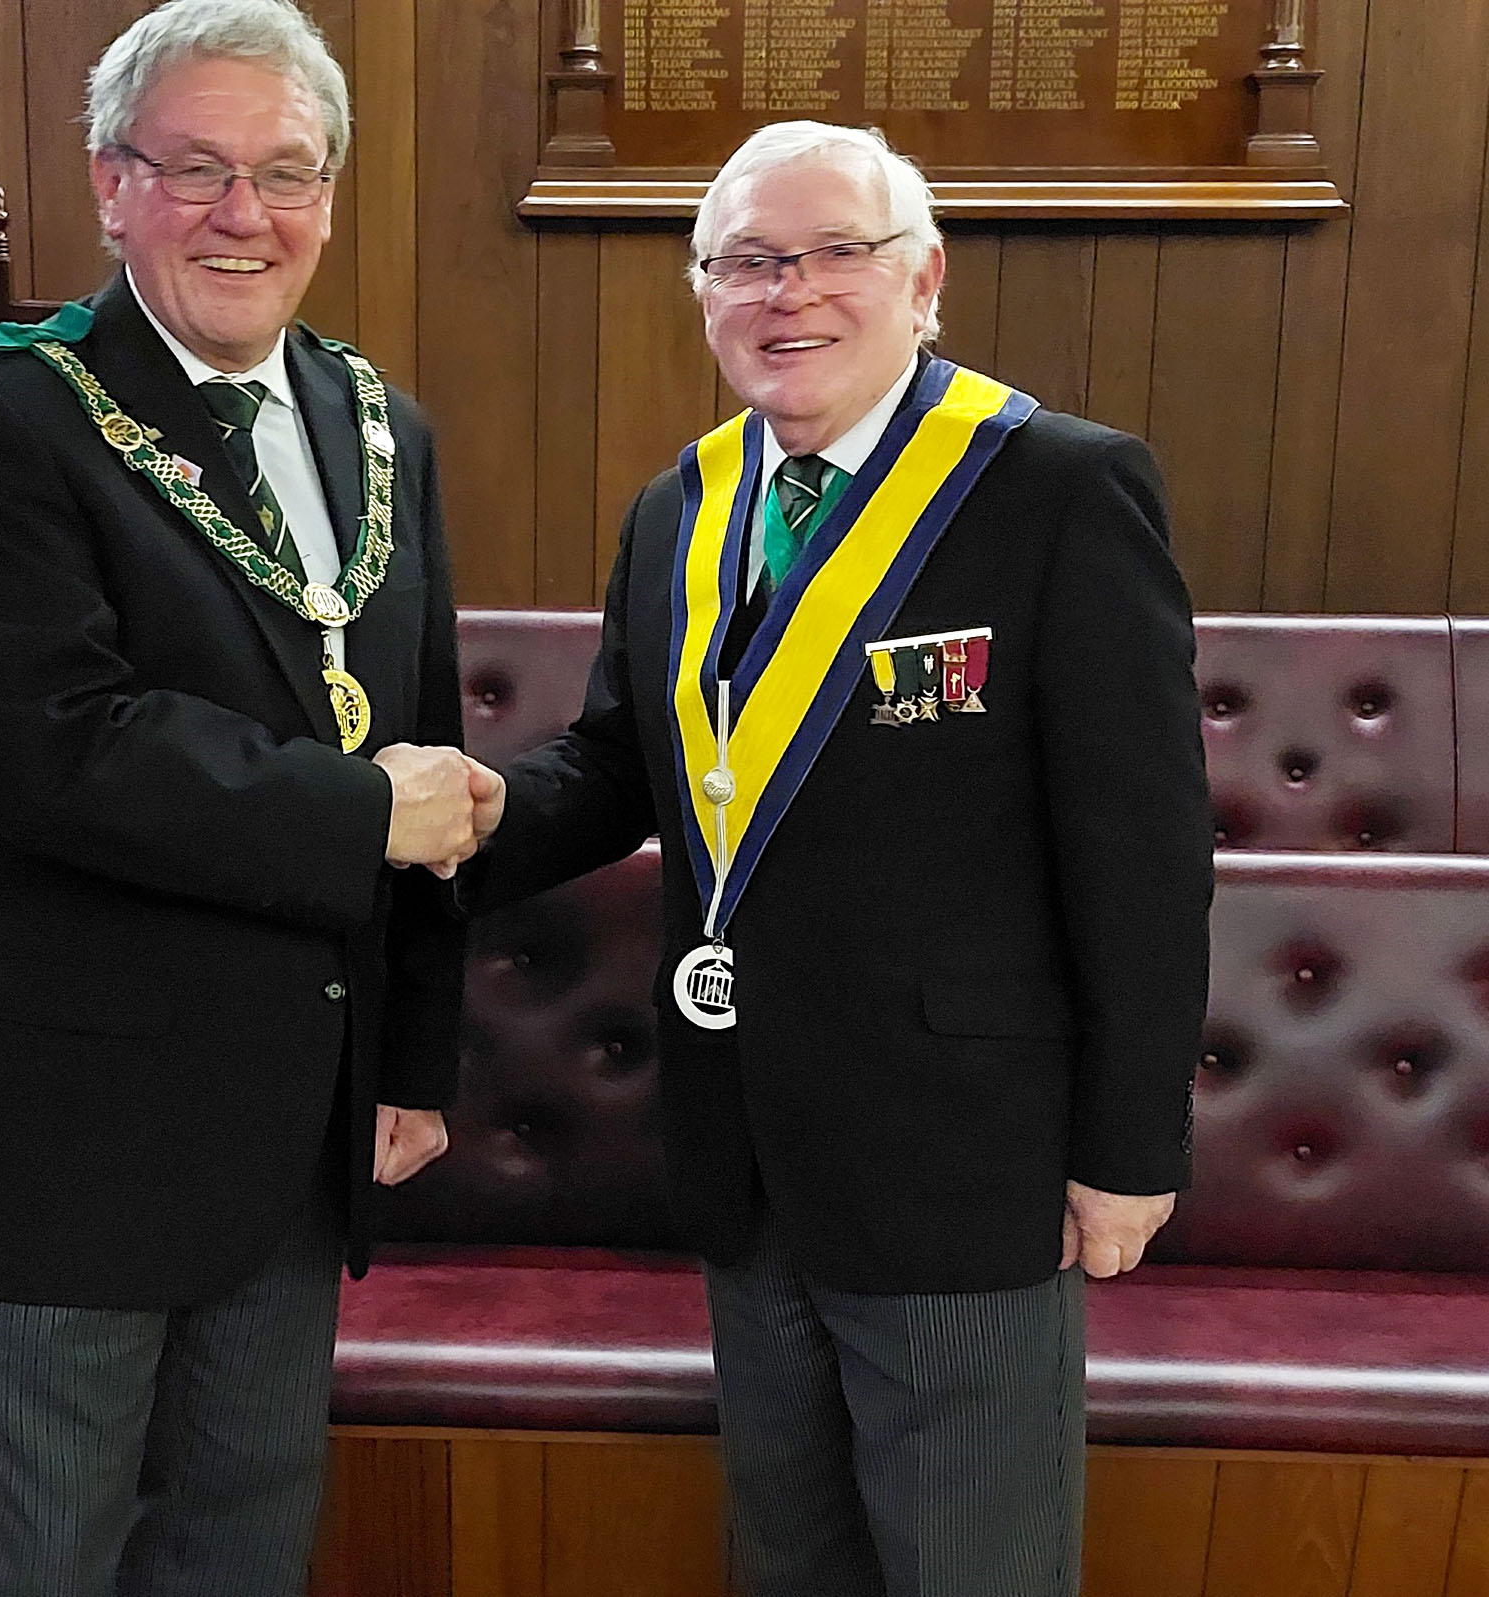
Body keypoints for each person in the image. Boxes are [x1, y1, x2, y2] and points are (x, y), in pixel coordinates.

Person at [467, 121, 1212, 1597]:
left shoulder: (1057, 487)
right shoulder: (681, 505)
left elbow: (1141, 846)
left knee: (971, 1571)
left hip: (962, 1163)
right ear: (703, 292)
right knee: (789, 1560)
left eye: (833, 255)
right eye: (747, 261)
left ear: (923, 277)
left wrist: (1130, 1149)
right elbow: (626, 764)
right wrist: (448, 820)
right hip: (745, 1146)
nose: (786, 293)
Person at [0, 2, 498, 1591]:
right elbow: (57, 743)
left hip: (291, 1117)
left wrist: (409, 1052)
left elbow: (408, 729)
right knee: (43, 1557)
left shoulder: (378, 423)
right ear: (111, 182)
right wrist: (362, 820)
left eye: (286, 172)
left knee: (241, 1544)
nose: (245, 214)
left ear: (330, 196)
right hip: (72, 1119)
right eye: (197, 169)